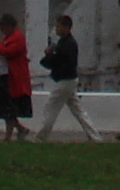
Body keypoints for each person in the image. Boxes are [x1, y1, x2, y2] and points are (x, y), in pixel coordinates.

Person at [36, 13, 102, 141]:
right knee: (78, 111)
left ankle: (41, 136)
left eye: (58, 26)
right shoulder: (66, 43)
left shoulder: (67, 44)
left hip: (64, 81)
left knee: (51, 108)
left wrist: (49, 55)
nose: (56, 29)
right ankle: (95, 137)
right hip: (69, 80)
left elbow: (58, 62)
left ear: (66, 27)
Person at [0, 13, 33, 142]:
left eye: (3, 26)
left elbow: (8, 52)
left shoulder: (18, 38)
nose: (1, 29)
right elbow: (0, 54)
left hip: (13, 78)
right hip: (4, 76)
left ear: (10, 26)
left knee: (10, 108)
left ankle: (8, 136)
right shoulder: (6, 39)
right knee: (5, 108)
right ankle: (20, 129)